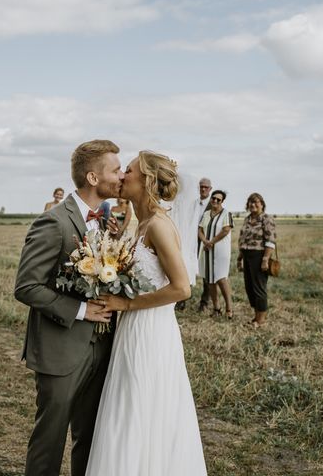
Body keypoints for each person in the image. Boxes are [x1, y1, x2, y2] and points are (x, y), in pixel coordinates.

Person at [87, 150, 207, 476]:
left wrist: (126, 305)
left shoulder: (159, 226)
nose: (122, 176)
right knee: (127, 409)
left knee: (141, 407)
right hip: (133, 328)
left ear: (148, 181)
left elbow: (182, 289)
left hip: (151, 331)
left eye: (128, 171)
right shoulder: (140, 225)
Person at [14, 140, 124, 476]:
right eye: (115, 169)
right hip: (61, 348)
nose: (121, 176)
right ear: (93, 177)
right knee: (50, 440)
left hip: (101, 347)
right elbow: (27, 286)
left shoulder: (105, 223)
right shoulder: (53, 223)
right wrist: (81, 311)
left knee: (90, 439)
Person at [237, 192, 277, 329]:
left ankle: (260, 320)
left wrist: (265, 259)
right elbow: (242, 240)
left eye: (256, 202)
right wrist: (240, 258)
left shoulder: (266, 219)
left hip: (259, 256)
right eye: (250, 202)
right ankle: (256, 316)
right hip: (247, 255)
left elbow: (270, 241)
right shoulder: (247, 219)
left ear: (262, 204)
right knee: (250, 288)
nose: (253, 205)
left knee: (259, 288)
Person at [198, 190, 234, 319]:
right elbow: (200, 229)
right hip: (207, 250)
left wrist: (211, 242)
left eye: (218, 199)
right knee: (209, 280)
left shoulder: (226, 214)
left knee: (221, 278)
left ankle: (229, 309)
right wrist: (205, 241)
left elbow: (226, 230)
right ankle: (216, 308)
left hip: (220, 251)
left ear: (222, 201)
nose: (215, 201)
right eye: (213, 198)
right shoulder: (206, 214)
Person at [197, 177, 213, 311]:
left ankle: (205, 301)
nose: (203, 189)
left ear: (210, 189)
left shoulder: (213, 204)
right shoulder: (193, 203)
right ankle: (183, 299)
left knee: (206, 272)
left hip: (206, 241)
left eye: (206, 187)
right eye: (201, 186)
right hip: (191, 241)